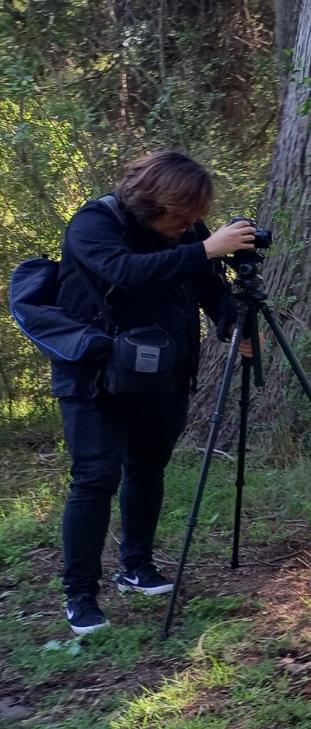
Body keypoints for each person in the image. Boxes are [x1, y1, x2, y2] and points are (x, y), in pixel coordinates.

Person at [53, 151, 257, 636]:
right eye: (181, 217)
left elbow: (206, 286)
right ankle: (80, 595)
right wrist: (207, 247)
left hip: (164, 373)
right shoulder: (94, 222)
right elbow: (126, 271)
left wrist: (235, 322)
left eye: (194, 219)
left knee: (147, 470)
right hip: (95, 377)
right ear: (152, 201)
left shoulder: (185, 231)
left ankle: (136, 567)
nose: (188, 225)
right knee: (94, 479)